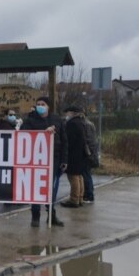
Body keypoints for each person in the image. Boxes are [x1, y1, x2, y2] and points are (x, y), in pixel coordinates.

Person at [24, 97, 67, 228]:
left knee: (52, 189)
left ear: (48, 106)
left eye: (43, 104)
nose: (40, 106)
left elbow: (65, 141)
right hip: (37, 160)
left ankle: (51, 215)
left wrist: (65, 160)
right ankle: (35, 216)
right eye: (38, 104)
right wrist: (44, 132)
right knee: (37, 188)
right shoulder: (30, 121)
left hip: (55, 159)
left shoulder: (57, 120)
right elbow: (23, 136)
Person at [61, 106, 89, 208]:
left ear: (72, 113)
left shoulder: (72, 124)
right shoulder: (82, 122)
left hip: (73, 154)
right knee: (79, 176)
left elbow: (69, 140)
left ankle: (74, 199)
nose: (66, 115)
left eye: (67, 112)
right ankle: (80, 198)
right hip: (81, 154)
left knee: (73, 177)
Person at [82, 112, 98, 203]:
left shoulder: (86, 125)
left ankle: (89, 195)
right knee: (87, 174)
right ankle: (89, 193)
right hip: (91, 152)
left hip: (88, 153)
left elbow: (87, 140)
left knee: (86, 174)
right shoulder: (90, 124)